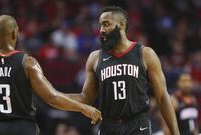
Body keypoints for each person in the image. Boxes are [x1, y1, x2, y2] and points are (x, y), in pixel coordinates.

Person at [0, 15, 101, 135]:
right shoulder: (28, 63)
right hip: (23, 128)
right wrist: (82, 107)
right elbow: (52, 98)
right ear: (14, 34)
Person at [66, 6, 180, 135]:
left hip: (137, 125)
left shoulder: (145, 54)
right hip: (108, 126)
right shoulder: (95, 58)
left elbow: (162, 97)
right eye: (100, 26)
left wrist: (176, 133)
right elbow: (85, 99)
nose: (101, 30)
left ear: (121, 24)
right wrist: (54, 96)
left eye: (106, 24)